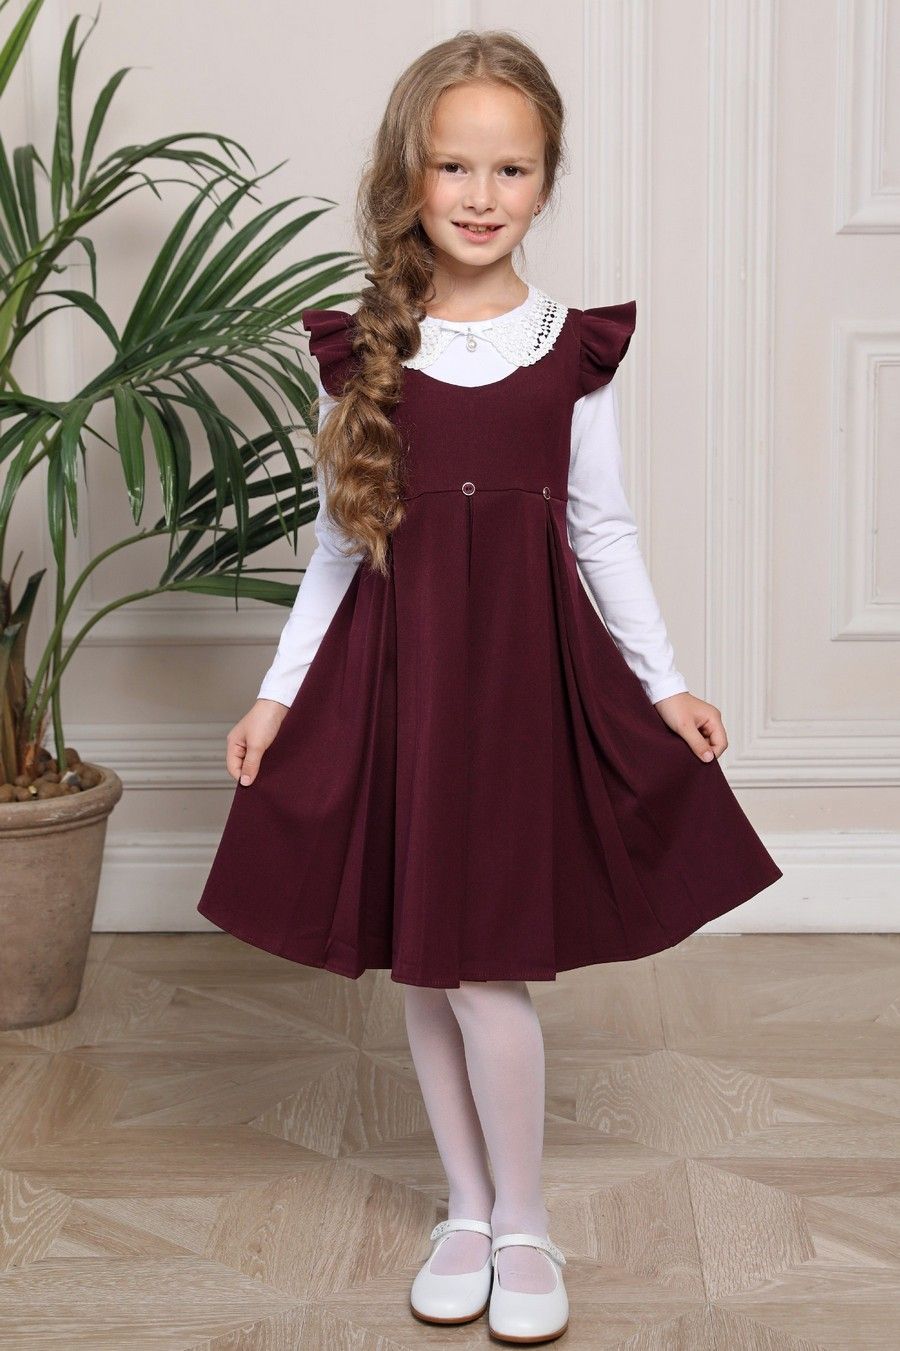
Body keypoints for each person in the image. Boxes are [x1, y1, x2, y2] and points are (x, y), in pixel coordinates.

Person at [196, 29, 783, 1343]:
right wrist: (277, 699)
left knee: (486, 967)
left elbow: (604, 529)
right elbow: (337, 552)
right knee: (427, 961)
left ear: (546, 180)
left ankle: (525, 1221)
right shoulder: (364, 352)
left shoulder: (573, 348)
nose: (479, 194)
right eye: (452, 165)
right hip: (400, 683)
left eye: (509, 169)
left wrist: (666, 682)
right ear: (407, 174)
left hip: (521, 685)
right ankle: (465, 1206)